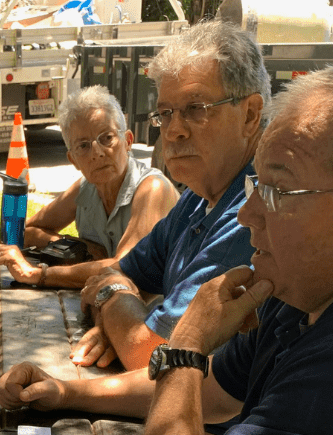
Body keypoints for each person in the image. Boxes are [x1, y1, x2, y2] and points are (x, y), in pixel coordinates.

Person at [0, 65, 333, 435]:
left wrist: (186, 343)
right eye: (254, 188)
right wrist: (65, 393)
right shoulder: (294, 297)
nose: (249, 213)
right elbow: (212, 395)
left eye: (275, 190)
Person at [67, 20, 264, 371]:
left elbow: (148, 354)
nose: (173, 130)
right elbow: (118, 272)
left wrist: (113, 298)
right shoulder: (199, 195)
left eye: (196, 109)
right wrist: (114, 317)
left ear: (249, 114)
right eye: (166, 113)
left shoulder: (254, 211)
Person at [0, 85, 178, 289]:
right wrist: (82, 247)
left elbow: (125, 268)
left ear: (128, 141)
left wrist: (39, 274)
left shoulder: (152, 189)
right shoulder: (86, 187)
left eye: (107, 138)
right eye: (83, 146)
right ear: (73, 160)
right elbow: (28, 231)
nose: (97, 153)